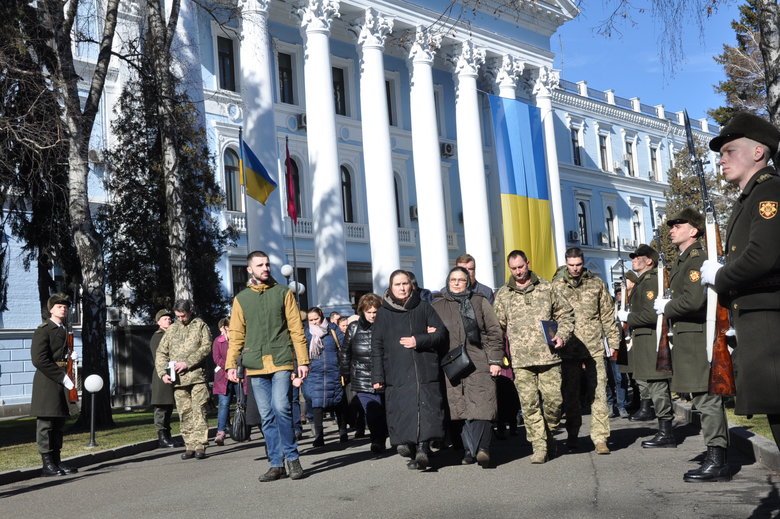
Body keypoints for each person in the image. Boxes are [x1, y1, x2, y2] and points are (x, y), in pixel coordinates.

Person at [703, 111, 780, 452]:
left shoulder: (769, 191)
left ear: (758, 152)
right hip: (757, 320)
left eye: (729, 151)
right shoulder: (750, 197)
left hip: (770, 322)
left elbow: (762, 257)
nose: (721, 159)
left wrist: (720, 277)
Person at [654, 208, 730, 481]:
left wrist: (667, 306)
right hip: (687, 337)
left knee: (707, 399)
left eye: (678, 225)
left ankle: (718, 461)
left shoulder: (696, 258)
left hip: (698, 336)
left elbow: (695, 300)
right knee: (701, 398)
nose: (672, 229)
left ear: (694, 230)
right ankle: (715, 455)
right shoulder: (683, 260)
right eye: (671, 225)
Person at [226, 250, 310, 482]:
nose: (265, 268)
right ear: (249, 269)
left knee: (281, 407)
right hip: (255, 365)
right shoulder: (242, 299)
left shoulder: (283, 293)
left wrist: (302, 361)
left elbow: (296, 329)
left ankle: (292, 458)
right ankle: (276, 464)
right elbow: (236, 334)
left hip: (281, 359)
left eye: (267, 264)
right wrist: (231, 364)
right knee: (266, 415)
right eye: (260, 265)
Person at [494, 250, 575, 464]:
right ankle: (539, 446)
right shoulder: (503, 294)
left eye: (521, 267)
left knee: (554, 402)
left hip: (549, 357)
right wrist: (498, 355)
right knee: (529, 405)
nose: (518, 272)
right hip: (521, 361)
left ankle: (548, 435)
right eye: (514, 268)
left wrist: (562, 335)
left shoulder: (547, 287)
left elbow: (566, 314)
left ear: (528, 264)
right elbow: (497, 328)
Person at [371, 269, 447, 470]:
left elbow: (441, 334)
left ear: (411, 286)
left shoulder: (424, 307)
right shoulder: (383, 314)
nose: (402, 288)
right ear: (390, 288)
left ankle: (423, 448)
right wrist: (377, 376)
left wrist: (419, 340)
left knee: (424, 408)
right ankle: (410, 448)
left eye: (405, 284)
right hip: (396, 372)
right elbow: (376, 346)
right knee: (403, 410)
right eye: (398, 284)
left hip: (423, 369)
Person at [432, 266, 504, 467]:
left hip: (479, 360)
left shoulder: (479, 301)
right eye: (453, 280)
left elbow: (494, 332)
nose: (456, 283)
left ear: (468, 282)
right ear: (448, 282)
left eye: (461, 280)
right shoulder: (438, 305)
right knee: (460, 407)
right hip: (451, 364)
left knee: (482, 404)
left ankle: (483, 448)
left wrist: (495, 360)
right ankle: (468, 450)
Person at [552, 247, 621, 455]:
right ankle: (572, 434)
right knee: (570, 394)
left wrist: (614, 342)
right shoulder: (556, 286)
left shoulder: (596, 284)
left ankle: (600, 438)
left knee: (598, 392)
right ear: (566, 263)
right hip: (568, 349)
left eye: (579, 265)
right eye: (571, 265)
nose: (575, 269)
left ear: (583, 263)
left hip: (593, 348)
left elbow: (607, 314)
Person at [617, 244, 676, 448]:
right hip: (644, 340)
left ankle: (666, 433)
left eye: (638, 256)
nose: (633, 259)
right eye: (633, 257)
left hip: (652, 340)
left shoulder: (650, 281)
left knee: (658, 385)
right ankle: (664, 430)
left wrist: (629, 318)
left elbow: (652, 315)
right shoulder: (642, 281)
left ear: (649, 261)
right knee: (652, 384)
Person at [155, 299, 212, 460]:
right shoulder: (172, 329)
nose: (181, 319)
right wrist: (163, 372)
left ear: (190, 311)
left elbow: (206, 347)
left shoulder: (200, 326)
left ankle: (200, 445)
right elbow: (161, 352)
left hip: (197, 378)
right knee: (184, 412)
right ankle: (190, 445)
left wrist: (187, 363)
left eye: (183, 315)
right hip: (179, 381)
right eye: (178, 316)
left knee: (199, 410)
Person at [31, 293, 78, 477]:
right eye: (59, 306)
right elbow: (39, 360)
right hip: (47, 382)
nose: (63, 309)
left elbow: (61, 355)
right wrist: (62, 376)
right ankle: (47, 464)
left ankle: (57, 460)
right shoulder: (43, 330)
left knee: (58, 423)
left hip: (60, 381)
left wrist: (70, 357)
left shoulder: (63, 330)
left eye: (65, 307)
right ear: (51, 309)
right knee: (46, 424)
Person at [340, 293, 388, 453]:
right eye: (369, 312)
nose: (372, 315)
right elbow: (345, 352)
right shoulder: (354, 328)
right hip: (361, 376)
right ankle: (377, 440)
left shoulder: (385, 326)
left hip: (383, 375)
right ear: (362, 311)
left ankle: (383, 435)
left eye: (375, 312)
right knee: (372, 412)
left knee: (384, 411)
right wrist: (345, 375)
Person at [303, 306, 347, 447]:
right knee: (316, 405)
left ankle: (342, 431)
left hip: (333, 371)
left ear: (321, 315)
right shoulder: (307, 333)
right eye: (311, 320)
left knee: (338, 402)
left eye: (316, 319)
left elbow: (344, 347)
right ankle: (319, 436)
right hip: (315, 373)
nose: (314, 322)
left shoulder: (333, 329)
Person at [212, 317, 244, 446]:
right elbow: (216, 358)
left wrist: (237, 369)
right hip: (222, 377)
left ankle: (242, 430)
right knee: (224, 404)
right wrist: (229, 367)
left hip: (239, 375)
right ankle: (221, 432)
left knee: (241, 402)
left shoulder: (238, 340)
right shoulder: (218, 341)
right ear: (224, 328)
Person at [149, 308, 178, 448]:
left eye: (170, 318)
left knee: (169, 407)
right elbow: (159, 358)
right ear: (158, 322)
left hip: (172, 373)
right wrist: (164, 372)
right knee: (161, 407)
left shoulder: (172, 335)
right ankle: (162, 437)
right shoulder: (157, 337)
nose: (169, 320)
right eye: (165, 319)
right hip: (162, 375)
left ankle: (168, 435)